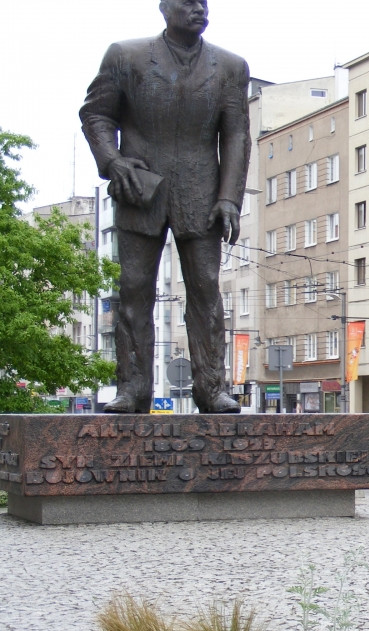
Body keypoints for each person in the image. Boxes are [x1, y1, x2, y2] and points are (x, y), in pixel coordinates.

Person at [80, 0, 251, 413]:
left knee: (207, 290)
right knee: (134, 290)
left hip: (202, 193)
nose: (199, 10)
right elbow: (96, 115)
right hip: (141, 190)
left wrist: (229, 197)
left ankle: (212, 388)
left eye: (204, 3)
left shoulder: (230, 66)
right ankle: (132, 389)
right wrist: (113, 161)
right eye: (189, 2)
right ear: (165, 7)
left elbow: (237, 136)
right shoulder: (126, 55)